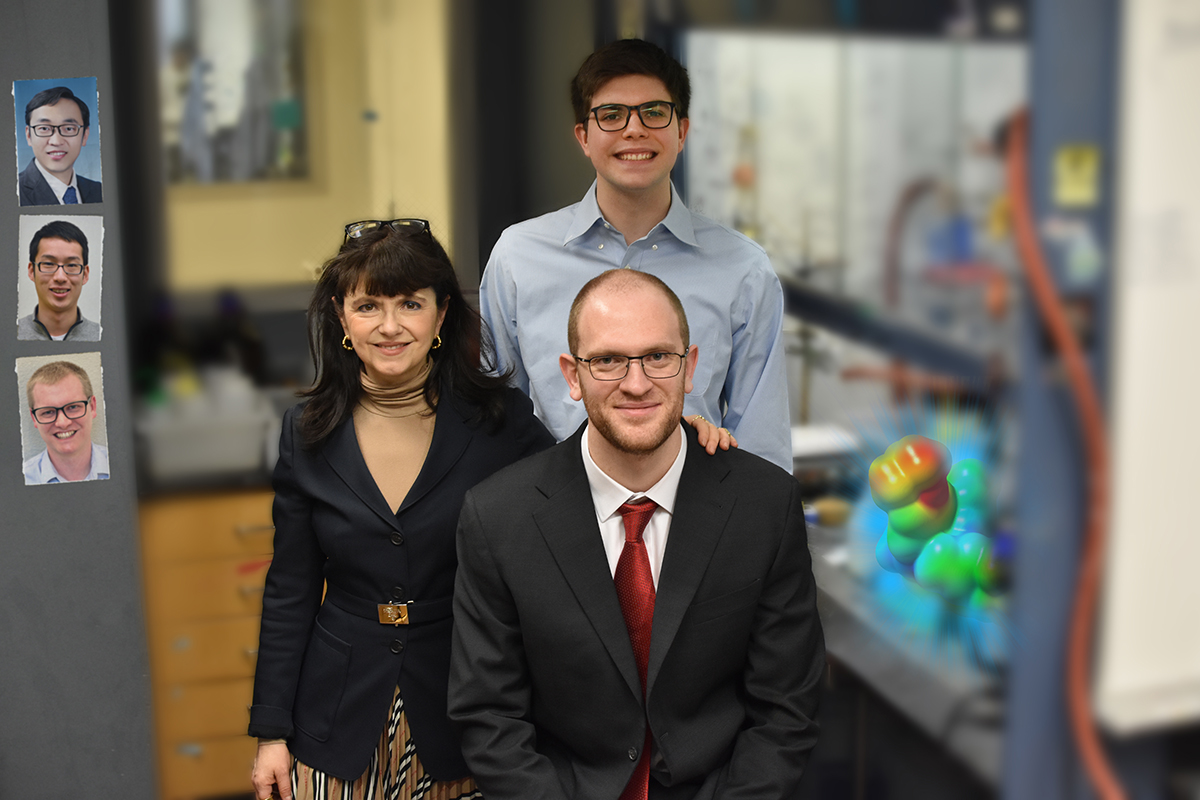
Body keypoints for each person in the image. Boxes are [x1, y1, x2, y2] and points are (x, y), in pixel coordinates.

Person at [449, 270, 824, 799]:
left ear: (689, 367)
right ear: (571, 376)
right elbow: (489, 716)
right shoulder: (498, 517)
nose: (636, 382)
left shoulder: (764, 506)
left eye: (657, 356)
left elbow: (786, 710)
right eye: (606, 360)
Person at [247, 219, 555, 800]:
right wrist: (270, 732)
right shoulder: (307, 432)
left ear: (441, 316)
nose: (389, 326)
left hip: (465, 711)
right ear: (342, 316)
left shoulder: (499, 423)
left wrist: (677, 437)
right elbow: (289, 589)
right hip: (334, 717)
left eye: (410, 303)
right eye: (369, 306)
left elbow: (581, 497)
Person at [479, 38, 793, 472]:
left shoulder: (743, 267)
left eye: (653, 112)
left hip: (695, 518)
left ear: (681, 131)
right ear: (583, 137)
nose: (633, 130)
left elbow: (763, 444)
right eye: (611, 115)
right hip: (553, 520)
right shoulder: (518, 257)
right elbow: (493, 421)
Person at [24, 361, 109, 484]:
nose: (62, 423)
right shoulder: (15, 482)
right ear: (34, 418)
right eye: (48, 412)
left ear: (92, 407)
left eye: (73, 407)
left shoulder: (128, 466)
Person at [19, 86, 102, 206]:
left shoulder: (99, 191)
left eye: (69, 128)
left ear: (85, 136)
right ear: (28, 135)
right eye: (44, 128)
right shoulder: (11, 192)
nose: (56, 141)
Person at [18, 220, 100, 341]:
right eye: (49, 263)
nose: (60, 277)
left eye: (71, 265)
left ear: (85, 274)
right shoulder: (8, 335)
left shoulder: (105, 337)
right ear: (31, 271)